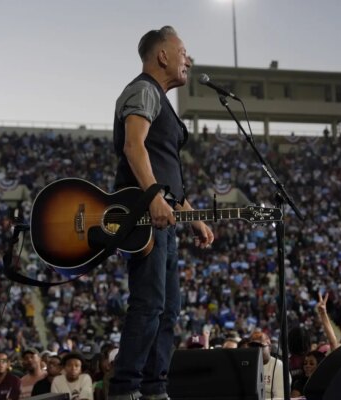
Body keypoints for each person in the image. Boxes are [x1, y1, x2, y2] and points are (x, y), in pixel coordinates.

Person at [109, 25, 214, 400]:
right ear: (163, 55)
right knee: (149, 303)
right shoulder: (142, 90)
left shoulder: (161, 100)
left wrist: (193, 215)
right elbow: (133, 147)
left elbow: (167, 182)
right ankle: (125, 390)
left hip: (162, 217)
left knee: (169, 309)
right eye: (183, 51)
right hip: (143, 219)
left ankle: (155, 389)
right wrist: (153, 197)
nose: (188, 58)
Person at [248, 331, 290, 399]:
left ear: (269, 348)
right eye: (253, 346)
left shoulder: (278, 366)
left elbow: (280, 397)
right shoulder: (246, 364)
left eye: (260, 346)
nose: (256, 349)